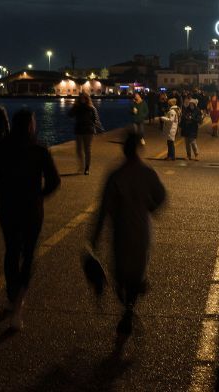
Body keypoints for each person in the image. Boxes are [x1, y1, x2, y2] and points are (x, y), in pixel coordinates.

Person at [0, 109, 61, 331]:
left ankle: (11, 294)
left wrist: (1, 190)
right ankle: (19, 303)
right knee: (29, 253)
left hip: (7, 206)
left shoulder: (0, 148)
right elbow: (54, 181)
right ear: (31, 126)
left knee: (11, 249)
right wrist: (39, 195)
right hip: (31, 208)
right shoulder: (39, 150)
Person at [89, 133, 167, 338]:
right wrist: (150, 207)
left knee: (119, 272)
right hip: (141, 230)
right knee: (136, 270)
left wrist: (95, 237)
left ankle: (128, 307)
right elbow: (161, 196)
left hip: (120, 231)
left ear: (124, 150)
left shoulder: (116, 175)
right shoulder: (148, 172)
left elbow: (103, 208)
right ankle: (130, 306)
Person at [70, 92, 102, 175]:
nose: (82, 99)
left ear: (87, 99)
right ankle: (81, 166)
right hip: (79, 130)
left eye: (84, 98)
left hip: (88, 130)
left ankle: (87, 168)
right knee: (78, 150)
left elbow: (96, 119)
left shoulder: (91, 108)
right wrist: (74, 106)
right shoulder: (77, 107)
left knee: (87, 150)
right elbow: (70, 114)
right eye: (81, 98)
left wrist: (98, 127)